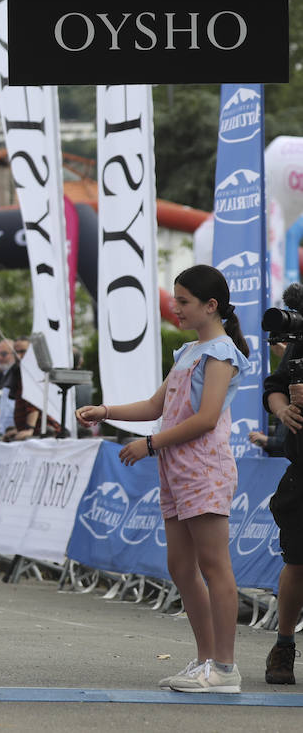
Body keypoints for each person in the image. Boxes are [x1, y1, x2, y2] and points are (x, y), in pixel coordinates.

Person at [77, 264, 249, 693]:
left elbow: (207, 419)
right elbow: (157, 405)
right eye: (175, 299)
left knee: (214, 566)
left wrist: (150, 445)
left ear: (211, 306)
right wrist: (107, 411)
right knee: (180, 566)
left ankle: (225, 669)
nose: (175, 308)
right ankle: (205, 660)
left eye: (184, 301)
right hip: (177, 470)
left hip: (204, 470)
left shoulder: (221, 353)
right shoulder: (190, 352)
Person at [261, 282, 303, 684]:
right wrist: (284, 410)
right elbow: (274, 386)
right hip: (302, 470)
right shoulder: (300, 336)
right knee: (298, 561)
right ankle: (284, 646)